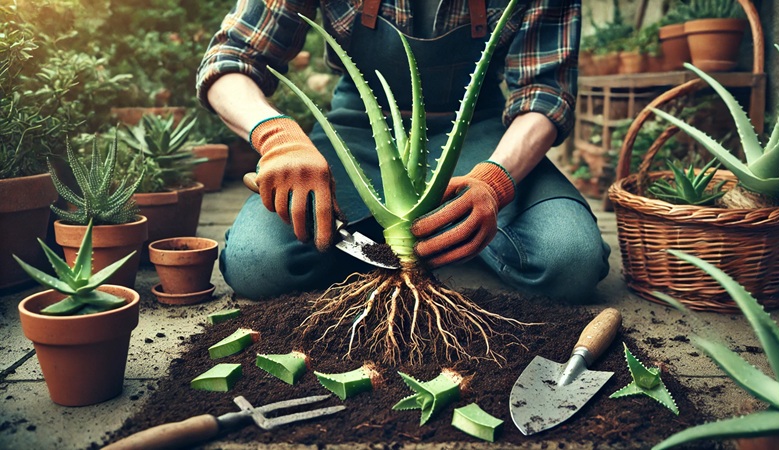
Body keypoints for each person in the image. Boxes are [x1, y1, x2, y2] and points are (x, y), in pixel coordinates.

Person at [196, 0, 610, 303]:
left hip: (480, 134)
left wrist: (496, 179)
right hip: (359, 130)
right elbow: (231, 58)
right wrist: (277, 136)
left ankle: (404, 237)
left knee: (570, 260)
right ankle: (410, 239)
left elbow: (545, 94)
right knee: (257, 264)